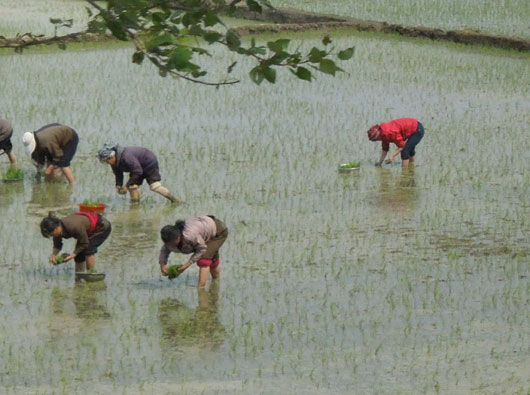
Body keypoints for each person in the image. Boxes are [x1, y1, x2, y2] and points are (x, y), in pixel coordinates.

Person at [97, 142, 179, 203]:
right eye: (105, 162)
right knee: (132, 186)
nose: (108, 163)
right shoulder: (113, 162)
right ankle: (135, 205)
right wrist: (118, 185)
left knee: (155, 186)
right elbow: (118, 174)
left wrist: (126, 185)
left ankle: (174, 200)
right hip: (137, 166)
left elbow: (138, 171)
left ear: (112, 156)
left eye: (107, 160)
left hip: (148, 162)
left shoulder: (126, 157)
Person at [159, 215, 228, 287]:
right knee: (212, 260)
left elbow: (201, 249)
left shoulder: (189, 236)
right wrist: (162, 265)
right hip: (204, 232)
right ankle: (216, 283)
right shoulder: (170, 242)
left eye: (172, 243)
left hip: (218, 231)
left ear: (178, 237)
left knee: (204, 260)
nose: (171, 246)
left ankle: (201, 288)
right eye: (168, 244)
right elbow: (164, 250)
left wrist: (187, 265)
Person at [40, 211, 112, 273]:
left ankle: (91, 274)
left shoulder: (72, 226)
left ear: (56, 227)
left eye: (52, 234)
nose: (52, 235)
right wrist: (54, 255)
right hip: (88, 231)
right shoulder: (57, 231)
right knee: (79, 255)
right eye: (50, 235)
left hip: (102, 227)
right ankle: (79, 275)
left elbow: (84, 243)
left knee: (88, 249)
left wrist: (72, 255)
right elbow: (57, 245)